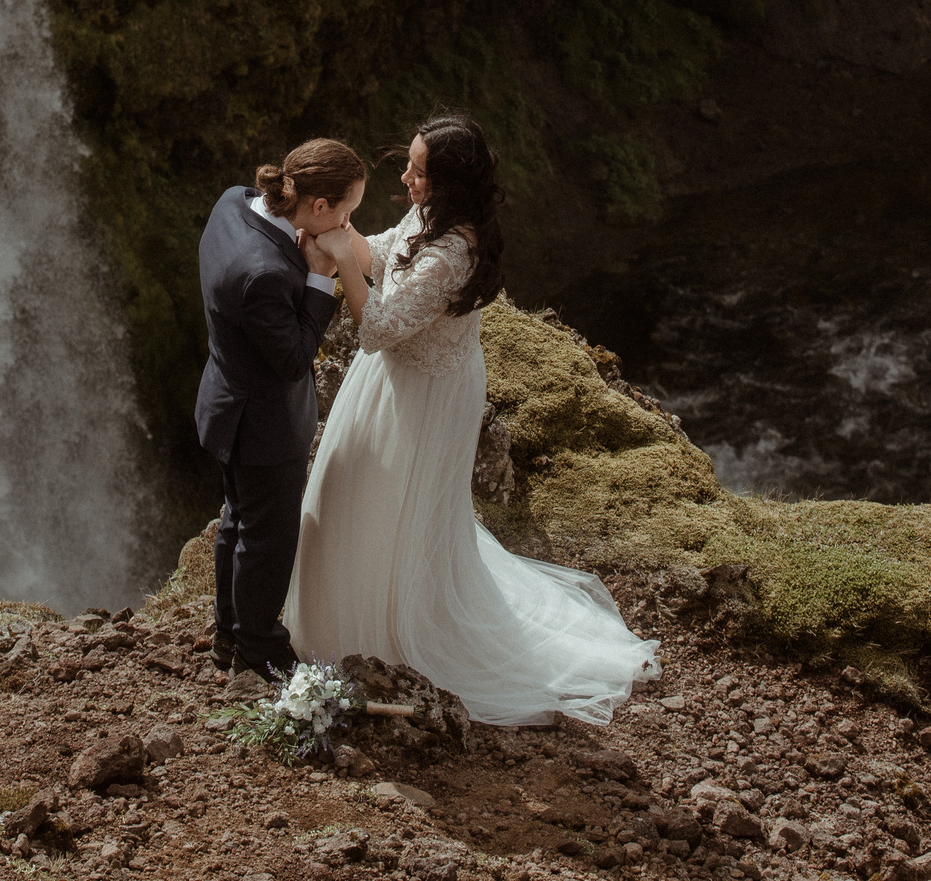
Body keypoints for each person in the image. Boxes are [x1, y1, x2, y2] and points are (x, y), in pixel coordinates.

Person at [282, 112, 659, 725]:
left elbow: (377, 328)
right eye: (408, 162)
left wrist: (337, 263)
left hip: (428, 391)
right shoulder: (428, 215)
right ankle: (339, 623)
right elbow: (381, 252)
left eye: (417, 170)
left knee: (398, 512)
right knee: (354, 499)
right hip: (388, 383)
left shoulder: (455, 252)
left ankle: (396, 635)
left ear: (450, 183)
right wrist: (334, 230)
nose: (404, 177)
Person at [194, 137, 368, 680]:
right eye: (346, 213)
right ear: (318, 208)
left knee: (236, 521)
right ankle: (259, 648)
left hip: (224, 399)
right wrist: (320, 276)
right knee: (268, 539)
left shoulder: (235, 201)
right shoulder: (263, 274)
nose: (346, 225)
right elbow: (294, 360)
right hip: (262, 423)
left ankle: (228, 635)